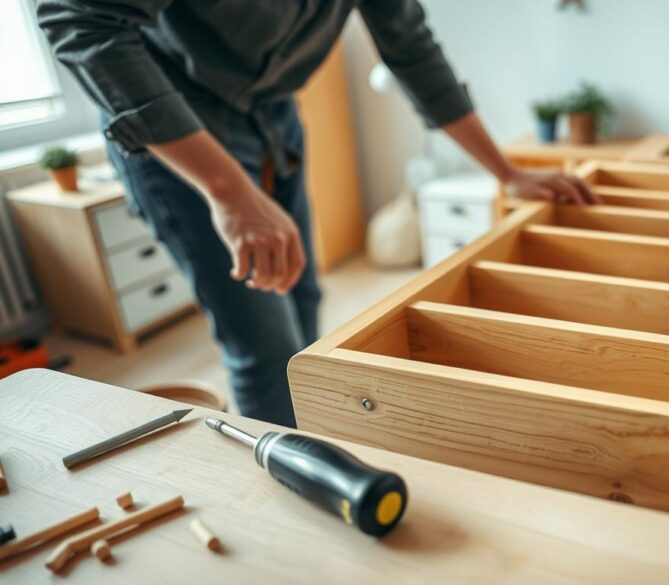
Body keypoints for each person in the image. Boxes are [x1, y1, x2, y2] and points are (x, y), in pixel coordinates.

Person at [37, 0, 598, 428]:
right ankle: (287, 500)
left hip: (272, 113)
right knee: (262, 342)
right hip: (180, 134)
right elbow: (77, 19)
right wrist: (228, 189)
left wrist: (507, 173)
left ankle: (302, 443)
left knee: (303, 300)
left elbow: (413, 50)